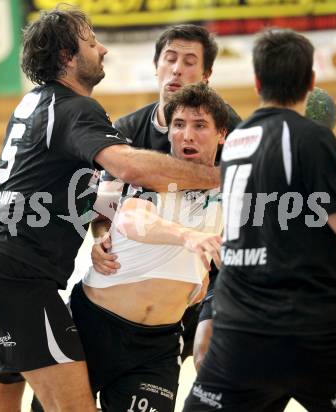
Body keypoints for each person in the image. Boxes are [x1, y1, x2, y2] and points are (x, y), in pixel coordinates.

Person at [0, 7, 223, 412]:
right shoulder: (76, 109)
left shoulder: (32, 104)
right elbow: (128, 167)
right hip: (17, 278)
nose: (103, 49)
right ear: (66, 57)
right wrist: (221, 176)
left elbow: (95, 196)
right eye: (92, 43)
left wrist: (102, 233)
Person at [183, 28, 336, 412]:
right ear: (311, 80)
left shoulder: (239, 140)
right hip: (308, 333)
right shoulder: (308, 137)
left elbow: (315, 201)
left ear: (257, 82)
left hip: (239, 336)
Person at [91, 24, 241, 367]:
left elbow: (256, 186)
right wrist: (100, 241)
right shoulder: (126, 131)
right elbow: (103, 209)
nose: (177, 69)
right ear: (156, 65)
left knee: (210, 355)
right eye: (170, 59)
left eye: (190, 62)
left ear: (206, 76)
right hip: (147, 268)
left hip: (213, 266)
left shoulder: (228, 126)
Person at [71, 82, 227, 412]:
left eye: (199, 126)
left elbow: (322, 200)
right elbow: (130, 220)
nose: (187, 135)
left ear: (221, 134)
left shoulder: (234, 185)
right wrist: (188, 237)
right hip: (94, 326)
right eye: (179, 125)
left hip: (157, 345)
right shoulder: (151, 174)